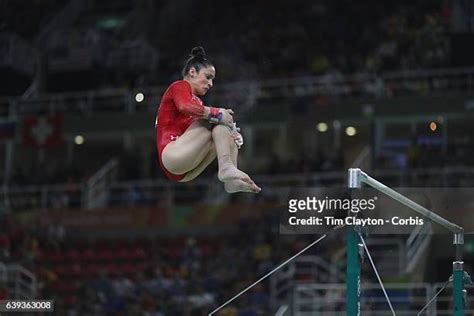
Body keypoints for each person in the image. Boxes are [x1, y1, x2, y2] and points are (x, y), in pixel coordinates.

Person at [155, 47, 261, 193]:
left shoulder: (198, 103)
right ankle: (225, 167)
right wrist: (217, 113)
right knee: (217, 119)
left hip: (185, 171)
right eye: (208, 77)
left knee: (225, 128)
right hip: (171, 155)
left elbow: (201, 123)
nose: (211, 84)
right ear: (192, 72)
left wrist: (230, 132)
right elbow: (184, 106)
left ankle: (231, 180)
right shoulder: (179, 86)